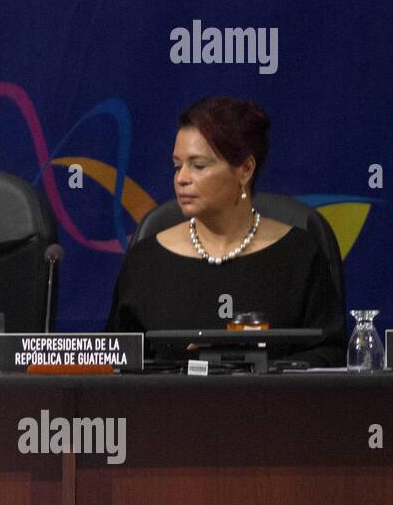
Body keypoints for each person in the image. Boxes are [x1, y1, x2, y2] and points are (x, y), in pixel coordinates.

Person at [107, 96, 344, 366]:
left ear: (245, 169)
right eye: (177, 165)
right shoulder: (146, 259)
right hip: (172, 406)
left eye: (198, 165)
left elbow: (331, 354)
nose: (181, 178)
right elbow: (117, 360)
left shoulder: (299, 254)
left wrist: (251, 366)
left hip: (274, 405)